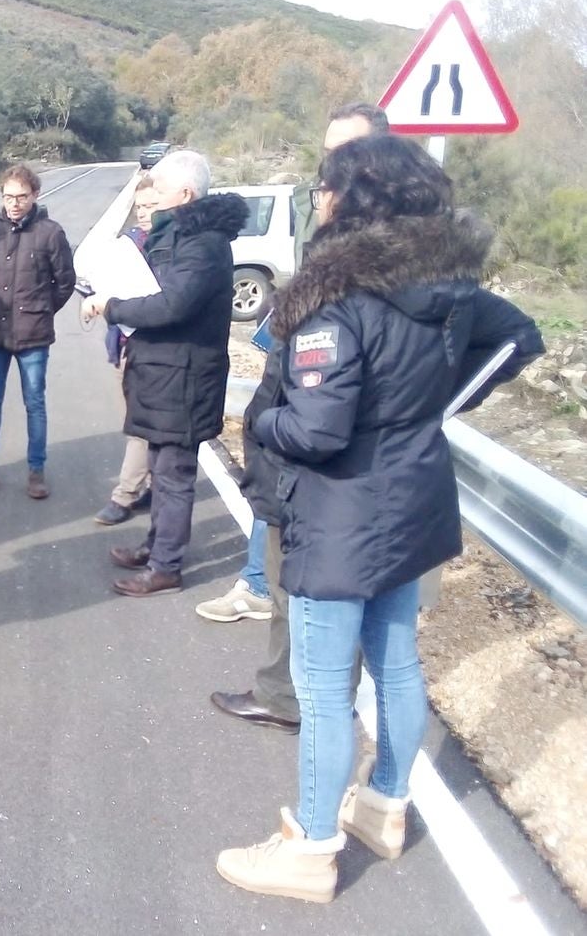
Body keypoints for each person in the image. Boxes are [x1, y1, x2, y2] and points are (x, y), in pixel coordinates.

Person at [216, 134, 544, 903]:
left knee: (324, 685)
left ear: (355, 199)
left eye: (326, 188)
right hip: (414, 501)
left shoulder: (337, 297)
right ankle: (385, 806)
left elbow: (319, 432)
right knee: (395, 665)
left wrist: (259, 423)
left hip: (340, 516)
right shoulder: (451, 284)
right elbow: (519, 336)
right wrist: (430, 408)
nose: (319, 200)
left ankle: (310, 844)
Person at [207, 101, 389, 733]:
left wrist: (268, 426)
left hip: (330, 463)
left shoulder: (386, 261)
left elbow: (503, 340)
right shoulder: (334, 244)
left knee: (324, 606)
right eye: (328, 157)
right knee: (290, 589)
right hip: (297, 454)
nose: (334, 173)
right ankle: (289, 696)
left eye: (350, 155)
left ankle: (310, 717)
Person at [82, 150, 247, 597]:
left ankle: (165, 567)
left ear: (186, 194)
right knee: (161, 468)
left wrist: (111, 305)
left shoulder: (203, 244)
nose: (151, 196)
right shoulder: (183, 237)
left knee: (173, 476)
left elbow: (171, 305)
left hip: (184, 378)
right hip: (167, 374)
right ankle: (157, 545)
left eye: (159, 187)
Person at [0, 164, 76, 499]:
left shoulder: (51, 233)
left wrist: (39, 310)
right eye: (8, 196)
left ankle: (36, 471)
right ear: (1, 196)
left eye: (21, 196)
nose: (14, 203)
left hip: (34, 336)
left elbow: (65, 282)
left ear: (35, 195)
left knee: (35, 403)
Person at [93, 174, 157, 525]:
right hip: (122, 343)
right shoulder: (127, 242)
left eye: (152, 205)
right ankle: (152, 485)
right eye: (140, 206)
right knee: (134, 422)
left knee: (139, 426)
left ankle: (125, 494)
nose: (144, 213)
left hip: (152, 348)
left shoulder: (169, 248)